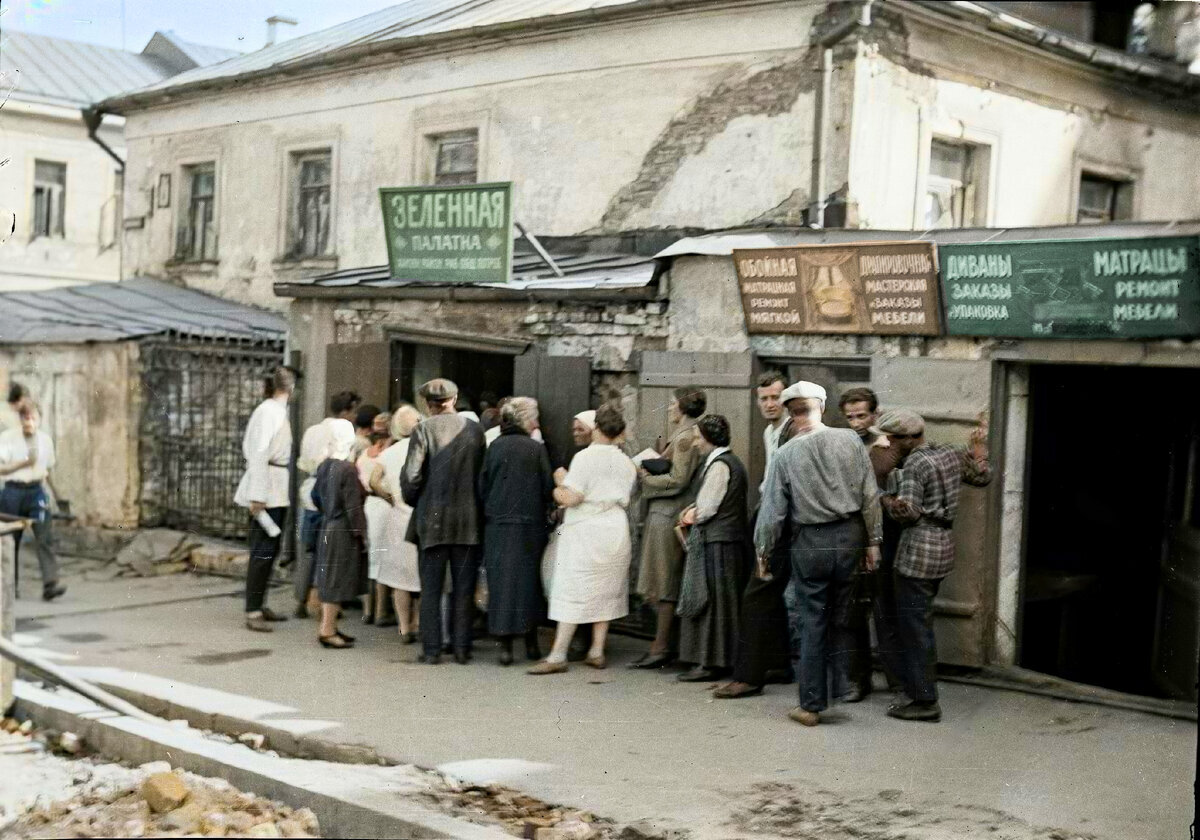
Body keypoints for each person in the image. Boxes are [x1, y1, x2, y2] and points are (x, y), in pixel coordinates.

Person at [755, 381, 882, 727]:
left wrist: (763, 549)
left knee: (813, 620)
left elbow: (773, 512)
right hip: (850, 536)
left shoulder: (785, 454)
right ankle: (842, 688)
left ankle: (811, 703)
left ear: (789, 413)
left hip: (811, 540)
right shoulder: (850, 440)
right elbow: (869, 494)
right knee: (842, 615)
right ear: (822, 407)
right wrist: (874, 542)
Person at [877, 409, 991, 722]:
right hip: (943, 548)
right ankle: (920, 692)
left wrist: (885, 499)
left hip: (918, 551)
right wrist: (979, 453)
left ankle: (924, 700)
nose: (887, 443)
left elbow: (909, 512)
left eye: (891, 438)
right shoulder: (950, 453)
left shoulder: (915, 462)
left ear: (906, 439)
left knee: (915, 629)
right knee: (921, 625)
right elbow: (982, 477)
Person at [529, 404, 637, 675]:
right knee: (605, 587)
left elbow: (572, 497)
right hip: (614, 525)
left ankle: (558, 654)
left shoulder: (586, 458)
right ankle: (597, 650)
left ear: (597, 428)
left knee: (572, 586)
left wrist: (559, 484)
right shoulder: (626, 461)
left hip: (586, 527)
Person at [714, 372, 797, 699]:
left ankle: (748, 677)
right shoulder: (770, 430)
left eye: (775, 397)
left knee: (755, 594)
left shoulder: (791, 431)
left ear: (787, 398)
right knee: (768, 593)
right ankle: (777, 665)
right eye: (763, 398)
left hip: (782, 519)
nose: (769, 404)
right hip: (767, 512)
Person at [401, 378, 487, 665]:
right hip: (468, 520)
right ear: (455, 398)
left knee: (431, 588)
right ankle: (461, 648)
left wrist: (418, 500)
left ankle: (432, 649)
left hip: (433, 518)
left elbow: (412, 477)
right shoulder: (475, 431)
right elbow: (482, 477)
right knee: (463, 588)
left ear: (428, 403)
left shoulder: (423, 429)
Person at [630, 386, 707, 669]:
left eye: (672, 404)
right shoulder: (683, 435)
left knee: (664, 582)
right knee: (662, 581)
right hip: (664, 513)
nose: (669, 408)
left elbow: (678, 479)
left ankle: (661, 646)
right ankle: (664, 645)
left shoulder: (686, 437)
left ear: (683, 408)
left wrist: (644, 477)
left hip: (668, 514)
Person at [479, 397, 554, 665]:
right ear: (525, 420)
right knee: (528, 584)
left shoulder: (494, 447)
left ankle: (505, 647)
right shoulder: (535, 449)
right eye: (534, 418)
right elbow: (547, 487)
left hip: (498, 525)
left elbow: (483, 486)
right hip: (529, 526)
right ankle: (531, 642)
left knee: (501, 585)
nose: (536, 423)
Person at [838, 386, 901, 700]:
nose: (856, 422)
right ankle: (857, 679)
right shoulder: (844, 443)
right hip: (852, 535)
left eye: (861, 415)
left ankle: (896, 680)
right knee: (851, 610)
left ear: (875, 413)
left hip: (884, 537)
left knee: (885, 608)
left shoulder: (889, 444)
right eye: (850, 416)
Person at [675, 415, 749, 682]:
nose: (695, 442)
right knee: (720, 602)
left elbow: (707, 509)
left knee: (712, 602)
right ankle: (716, 659)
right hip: (725, 540)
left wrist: (689, 515)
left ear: (708, 439)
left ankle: (710, 662)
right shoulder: (728, 462)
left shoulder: (720, 465)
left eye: (698, 437)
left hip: (718, 542)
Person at [233, 367, 295, 633]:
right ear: (290, 387)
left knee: (269, 550)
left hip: (276, 484)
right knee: (261, 551)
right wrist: (258, 495)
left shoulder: (277, 411)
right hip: (267, 486)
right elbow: (258, 452)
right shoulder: (268, 412)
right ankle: (253, 610)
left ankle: (260, 602)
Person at [294, 390, 361, 618]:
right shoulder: (343, 433)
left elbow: (303, 462)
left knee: (308, 548)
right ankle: (325, 604)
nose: (355, 416)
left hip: (310, 491)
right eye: (354, 411)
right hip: (331, 494)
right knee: (327, 552)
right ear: (346, 410)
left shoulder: (313, 430)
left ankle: (301, 600)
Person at [311, 419, 368, 649]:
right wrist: (362, 534)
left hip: (329, 524)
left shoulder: (325, 466)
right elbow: (353, 507)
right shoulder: (348, 469)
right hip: (343, 529)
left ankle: (330, 626)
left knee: (330, 577)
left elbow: (315, 496)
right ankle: (327, 629)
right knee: (337, 578)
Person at [370, 404, 423, 643]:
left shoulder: (389, 452)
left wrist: (388, 497)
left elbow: (373, 480)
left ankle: (403, 626)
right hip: (418, 516)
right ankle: (418, 622)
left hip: (397, 518)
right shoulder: (423, 449)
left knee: (400, 579)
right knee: (421, 577)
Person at [0, 408, 65, 601]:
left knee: (45, 537)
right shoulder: (8, 438)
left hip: (37, 492)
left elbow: (47, 470)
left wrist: (58, 496)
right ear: (20, 419)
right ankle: (10, 587)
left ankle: (50, 584)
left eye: (32, 417)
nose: (29, 421)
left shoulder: (45, 440)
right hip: (13, 492)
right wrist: (22, 464)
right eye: (25, 417)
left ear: (39, 419)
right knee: (11, 541)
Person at [358, 411, 393, 624]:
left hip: (367, 505)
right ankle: (381, 611)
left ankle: (367, 610)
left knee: (369, 556)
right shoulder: (389, 454)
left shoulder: (364, 455)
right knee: (382, 558)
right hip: (384, 504)